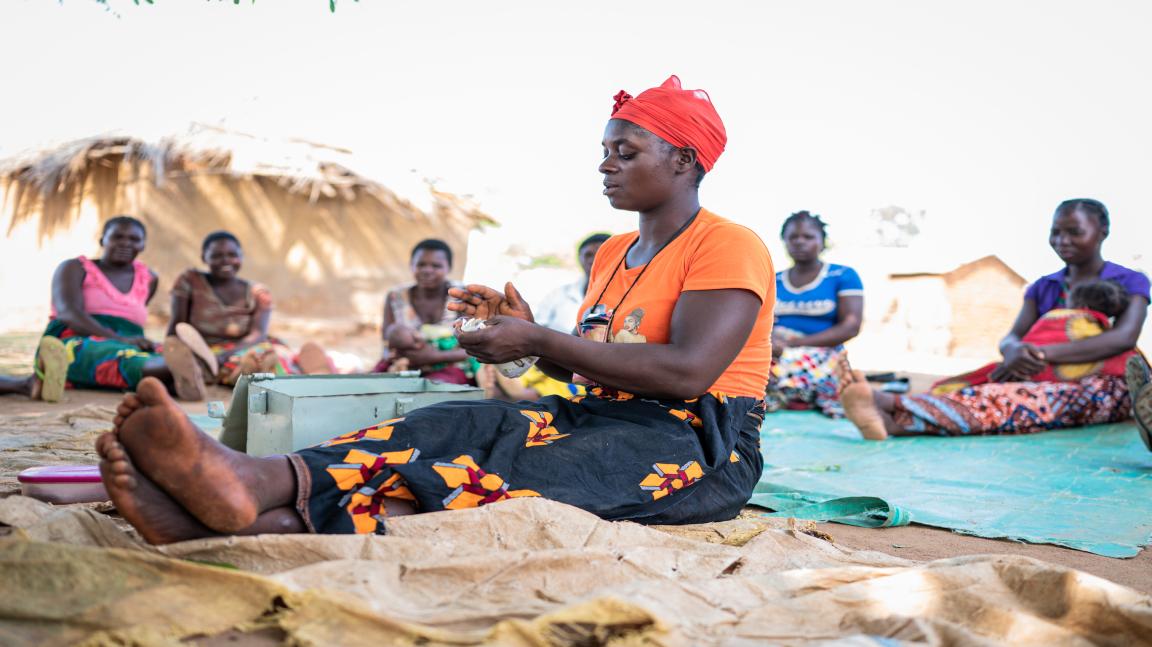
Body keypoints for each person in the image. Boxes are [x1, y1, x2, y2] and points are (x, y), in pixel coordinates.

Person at [94, 74, 776, 544]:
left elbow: (687, 374)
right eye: (603, 150)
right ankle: (263, 480)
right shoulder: (612, 255)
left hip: (700, 447)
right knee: (453, 419)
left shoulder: (727, 245)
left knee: (505, 472)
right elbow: (602, 369)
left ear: (685, 160)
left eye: (626, 150)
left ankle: (252, 522)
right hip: (602, 415)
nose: (605, 164)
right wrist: (525, 338)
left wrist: (537, 337)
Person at [841, 198, 1149, 439]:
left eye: (1074, 231)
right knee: (986, 390)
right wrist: (1014, 350)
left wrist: (1040, 354)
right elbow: (1012, 336)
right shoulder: (1044, 285)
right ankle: (891, 421)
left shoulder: (1130, 281)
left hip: (1105, 384)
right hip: (1035, 371)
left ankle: (893, 408)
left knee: (1024, 400)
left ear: (1102, 232)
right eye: (1055, 232)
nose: (1062, 240)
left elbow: (1123, 338)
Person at [0, 216, 207, 402]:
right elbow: (69, 313)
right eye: (117, 236)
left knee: (157, 351)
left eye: (134, 239)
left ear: (143, 245)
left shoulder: (148, 278)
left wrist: (132, 340)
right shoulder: (75, 268)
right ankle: (175, 373)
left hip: (131, 341)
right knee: (119, 356)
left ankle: (178, 372)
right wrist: (118, 338)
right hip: (77, 338)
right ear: (102, 240)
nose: (125, 243)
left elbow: (132, 323)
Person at [167, 231, 331, 385]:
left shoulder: (258, 293)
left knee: (268, 355)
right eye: (217, 255)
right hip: (207, 351)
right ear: (204, 257)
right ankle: (263, 376)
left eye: (232, 255)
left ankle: (308, 373)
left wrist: (227, 354)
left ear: (241, 257)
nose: (226, 260)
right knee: (211, 364)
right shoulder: (190, 281)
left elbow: (258, 334)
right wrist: (170, 348)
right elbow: (178, 326)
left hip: (246, 347)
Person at [487, 232, 611, 401]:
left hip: (584, 369)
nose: (593, 259)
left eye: (600, 253)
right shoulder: (559, 294)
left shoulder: (623, 297)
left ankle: (522, 396)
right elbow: (537, 327)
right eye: (588, 254)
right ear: (579, 259)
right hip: (548, 360)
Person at [767, 211, 863, 416]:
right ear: (784, 241)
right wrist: (769, 341)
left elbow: (851, 326)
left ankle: (786, 391)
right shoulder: (774, 280)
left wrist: (793, 344)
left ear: (823, 241)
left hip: (821, 352)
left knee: (793, 362)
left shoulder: (842, 275)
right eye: (793, 237)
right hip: (774, 349)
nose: (800, 242)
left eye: (808, 237)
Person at [375, 239, 472, 384]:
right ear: (411, 266)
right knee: (371, 384)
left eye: (436, 265)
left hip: (452, 367)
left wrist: (434, 357)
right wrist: (400, 360)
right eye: (421, 264)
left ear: (448, 268)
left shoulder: (462, 295)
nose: (427, 270)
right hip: (406, 365)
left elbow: (474, 350)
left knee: (432, 388)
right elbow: (387, 343)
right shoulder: (396, 297)